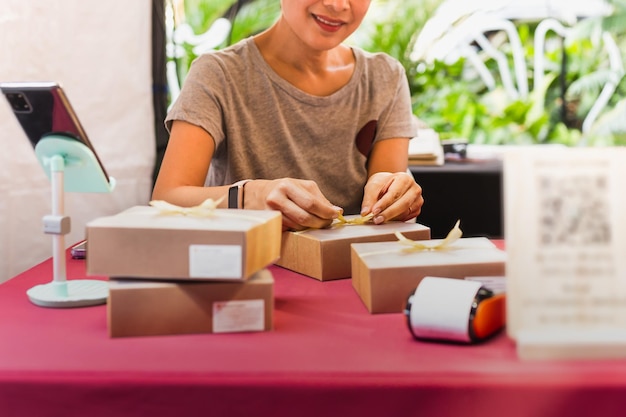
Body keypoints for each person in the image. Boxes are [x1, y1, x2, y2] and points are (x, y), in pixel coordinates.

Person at [152, 0, 424, 231]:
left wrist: (395, 196)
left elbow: (384, 210)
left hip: (349, 274)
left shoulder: (385, 76)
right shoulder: (219, 74)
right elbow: (167, 200)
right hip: (249, 273)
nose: (338, 4)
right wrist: (251, 196)